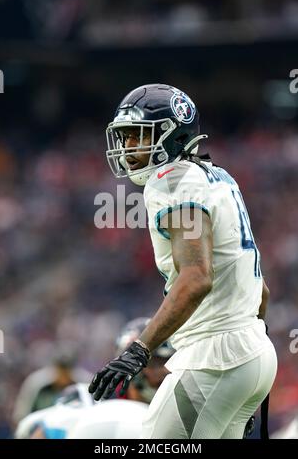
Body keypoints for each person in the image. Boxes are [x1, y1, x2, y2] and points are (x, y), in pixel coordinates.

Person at [89, 83, 277, 439]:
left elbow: (196, 278)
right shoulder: (219, 178)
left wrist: (139, 350)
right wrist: (246, 369)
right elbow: (261, 292)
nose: (129, 148)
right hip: (253, 353)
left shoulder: (171, 181)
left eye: (137, 136)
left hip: (215, 357)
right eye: (125, 137)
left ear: (171, 136)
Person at [68, 317, 174, 439]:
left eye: (171, 361)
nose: (165, 370)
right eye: (154, 363)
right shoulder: (91, 400)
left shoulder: (185, 405)